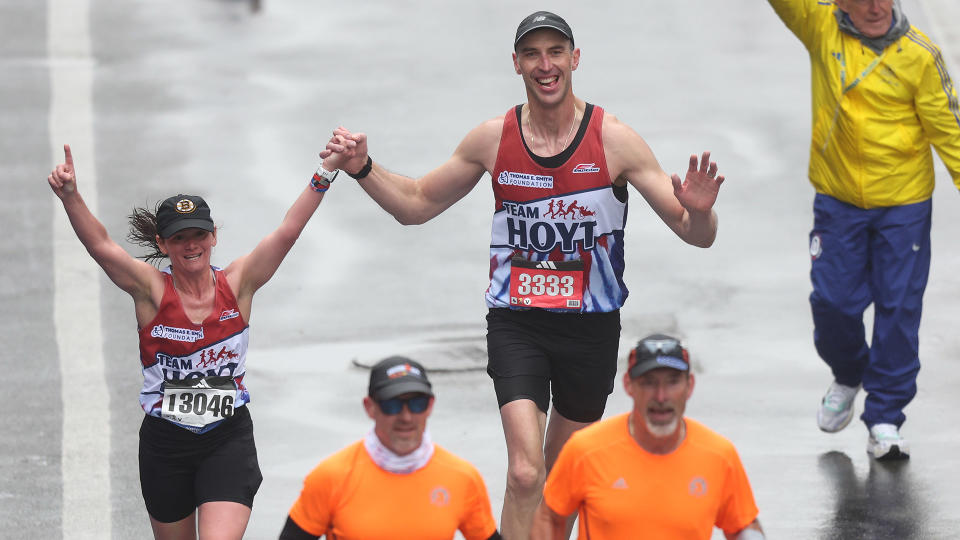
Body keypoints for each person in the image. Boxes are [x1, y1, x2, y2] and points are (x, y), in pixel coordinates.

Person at [321, 11, 725, 538]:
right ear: (516, 64)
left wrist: (699, 211)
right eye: (532, 54)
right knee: (525, 470)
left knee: (560, 477)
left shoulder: (615, 141)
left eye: (556, 52)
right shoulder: (494, 140)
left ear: (575, 59)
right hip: (518, 323)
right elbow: (416, 205)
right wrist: (362, 168)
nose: (545, 65)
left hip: (591, 329)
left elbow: (695, 233)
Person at [47, 143, 344, 539]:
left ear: (214, 236)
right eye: (180, 237)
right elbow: (101, 246)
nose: (191, 245)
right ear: (162, 244)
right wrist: (71, 197)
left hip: (227, 438)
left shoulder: (238, 285)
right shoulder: (150, 290)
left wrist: (326, 172)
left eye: (199, 235)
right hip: (165, 446)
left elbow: (288, 231)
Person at [766, 0, 960, 460]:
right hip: (838, 202)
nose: (875, 7)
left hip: (904, 205)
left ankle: (886, 418)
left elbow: (949, 127)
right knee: (832, 303)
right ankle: (849, 372)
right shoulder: (820, 27)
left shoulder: (919, 54)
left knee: (898, 308)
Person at [532, 334, 764, 540]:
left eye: (672, 382)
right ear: (629, 385)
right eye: (649, 383)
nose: (661, 396)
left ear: (689, 386)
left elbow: (743, 527)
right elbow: (550, 518)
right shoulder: (585, 450)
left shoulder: (718, 456)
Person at [278, 356, 502, 540]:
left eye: (417, 404)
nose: (406, 417)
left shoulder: (463, 478)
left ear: (430, 406)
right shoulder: (330, 477)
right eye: (392, 405)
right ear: (370, 408)